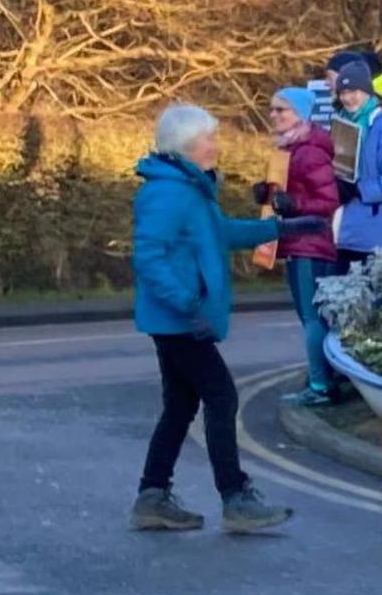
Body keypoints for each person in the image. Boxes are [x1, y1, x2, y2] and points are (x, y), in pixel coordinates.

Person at [130, 101, 323, 535]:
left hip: (181, 318)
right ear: (186, 146)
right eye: (209, 138)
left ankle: (152, 496)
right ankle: (235, 498)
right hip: (180, 320)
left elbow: (222, 233)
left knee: (180, 405)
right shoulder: (168, 193)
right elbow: (148, 256)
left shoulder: (189, 188)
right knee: (221, 397)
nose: (216, 145)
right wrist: (187, 303)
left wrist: (283, 229)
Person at [266, 87, 347, 407]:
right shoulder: (289, 148)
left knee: (313, 318)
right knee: (308, 316)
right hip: (296, 240)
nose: (273, 115)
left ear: (300, 114)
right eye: (272, 109)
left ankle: (321, 385)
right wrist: (267, 195)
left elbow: (329, 200)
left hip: (311, 242)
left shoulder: (309, 151)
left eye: (281, 110)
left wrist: (293, 202)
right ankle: (321, 379)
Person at [329, 49, 382, 263]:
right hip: (344, 234)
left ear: (367, 91)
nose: (347, 98)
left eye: (353, 91)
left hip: (376, 237)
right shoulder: (341, 124)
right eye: (343, 92)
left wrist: (357, 189)